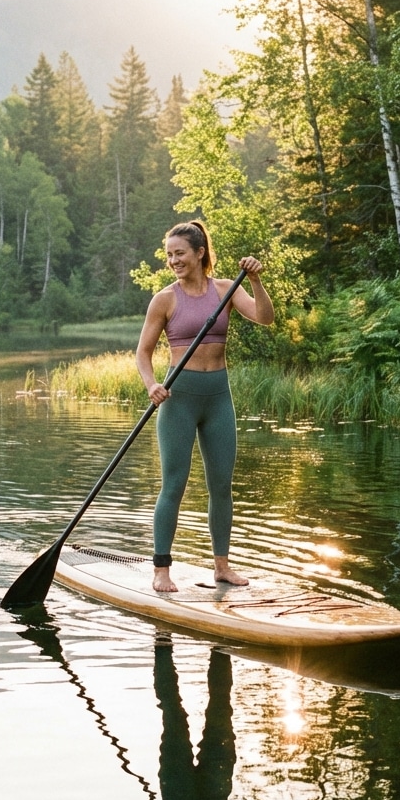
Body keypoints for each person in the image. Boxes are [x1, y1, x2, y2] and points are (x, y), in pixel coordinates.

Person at [135, 221, 274, 593]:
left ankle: (222, 567)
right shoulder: (165, 299)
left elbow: (265, 317)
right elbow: (143, 353)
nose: (173, 260)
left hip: (218, 400)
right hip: (178, 400)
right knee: (173, 485)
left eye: (179, 253)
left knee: (222, 486)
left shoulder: (226, 289)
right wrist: (152, 385)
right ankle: (161, 569)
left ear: (200, 253)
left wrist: (256, 280)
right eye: (169, 255)